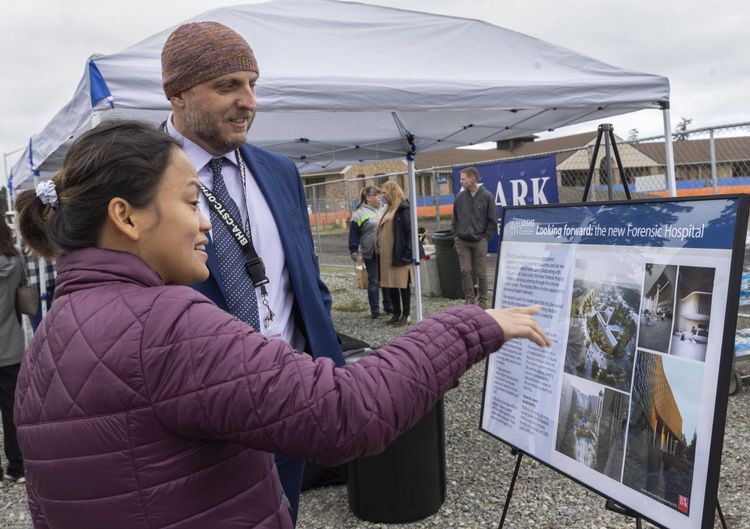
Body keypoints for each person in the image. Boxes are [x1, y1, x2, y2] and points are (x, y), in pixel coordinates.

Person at [13, 120, 549, 529]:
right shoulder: (166, 323)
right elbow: (347, 413)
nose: (205, 222)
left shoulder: (48, 340)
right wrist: (469, 327)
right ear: (125, 217)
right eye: (192, 202)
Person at [159, 21, 343, 521]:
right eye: (228, 86)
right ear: (178, 93)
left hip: (291, 405)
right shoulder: (137, 175)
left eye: (252, 85)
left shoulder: (280, 171)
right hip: (198, 426)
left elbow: (306, 283)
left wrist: (325, 375)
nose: (249, 101)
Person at [0, 215, 25, 484]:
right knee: (11, 409)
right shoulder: (15, 261)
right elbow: (22, 297)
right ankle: (17, 467)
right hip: (11, 344)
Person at [452, 166, 498, 309]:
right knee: (465, 271)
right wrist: (456, 235)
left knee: (481, 273)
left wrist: (485, 237)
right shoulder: (460, 197)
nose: (461, 181)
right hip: (462, 241)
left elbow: (493, 220)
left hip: (479, 241)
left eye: (463, 178)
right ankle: (469, 300)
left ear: (472, 179)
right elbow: (455, 218)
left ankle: (483, 302)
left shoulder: (487, 196)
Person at [348, 186, 393, 319]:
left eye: (380, 195)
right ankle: (375, 310)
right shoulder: (359, 214)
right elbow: (353, 234)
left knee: (386, 279)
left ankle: (389, 305)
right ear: (368, 198)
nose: (380, 198)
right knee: (373, 280)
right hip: (370, 251)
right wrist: (353, 250)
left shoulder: (385, 209)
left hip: (385, 250)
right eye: (377, 195)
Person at [377, 181, 413, 326]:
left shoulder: (403, 208)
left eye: (384, 192)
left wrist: (408, 252)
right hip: (386, 255)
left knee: (402, 284)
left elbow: (409, 231)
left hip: (399, 253)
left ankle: (406, 314)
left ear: (392, 191)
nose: (383, 195)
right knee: (391, 284)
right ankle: (396, 313)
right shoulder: (388, 208)